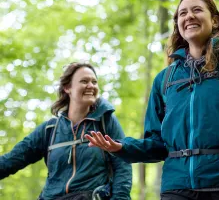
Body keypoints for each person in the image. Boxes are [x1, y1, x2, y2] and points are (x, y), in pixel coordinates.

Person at [86, 0, 219, 200]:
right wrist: (122, 147)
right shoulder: (164, 80)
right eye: (182, 13)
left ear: (215, 21)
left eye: (197, 10)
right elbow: (157, 145)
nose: (189, 16)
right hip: (176, 189)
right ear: (178, 26)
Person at [0, 62, 132, 200]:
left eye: (94, 82)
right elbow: (11, 160)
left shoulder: (105, 122)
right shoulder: (49, 130)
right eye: (84, 81)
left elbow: (123, 166)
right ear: (67, 87)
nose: (91, 86)